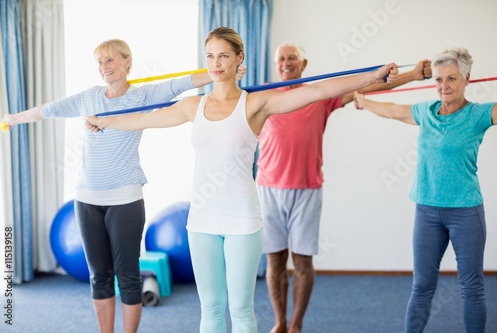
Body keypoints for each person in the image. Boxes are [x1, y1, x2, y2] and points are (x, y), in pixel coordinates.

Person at [85, 27, 398, 333]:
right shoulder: (194, 105)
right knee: (210, 310)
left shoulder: (255, 104)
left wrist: (372, 76)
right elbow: (144, 119)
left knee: (241, 310)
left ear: (239, 59)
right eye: (210, 56)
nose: (216, 64)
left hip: (242, 220)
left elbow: (317, 90)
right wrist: (104, 121)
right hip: (202, 220)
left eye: (223, 56)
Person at [1, 39, 234, 333]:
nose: (104, 67)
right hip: (86, 199)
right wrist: (13, 118)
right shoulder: (88, 97)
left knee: (128, 275)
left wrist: (222, 71)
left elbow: (181, 83)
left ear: (127, 62)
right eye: (100, 62)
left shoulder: (143, 96)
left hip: (125, 198)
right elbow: (47, 110)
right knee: (99, 275)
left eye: (110, 60)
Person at [256, 41, 432, 333]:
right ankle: (279, 322)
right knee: (274, 260)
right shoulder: (264, 94)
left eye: (292, 58)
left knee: (302, 261)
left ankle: (296, 324)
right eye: (281, 59)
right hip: (268, 189)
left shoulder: (319, 95)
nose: (286, 63)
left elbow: (371, 87)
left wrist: (413, 75)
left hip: (307, 188)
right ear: (276, 65)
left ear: (304, 64)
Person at [354, 47, 496, 333]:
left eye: (452, 79)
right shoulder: (426, 112)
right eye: (439, 79)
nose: (444, 86)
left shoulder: (480, 114)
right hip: (427, 211)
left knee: (471, 286)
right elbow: (393, 111)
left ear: (467, 79)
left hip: (465, 211)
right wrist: (362, 100)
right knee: (422, 285)